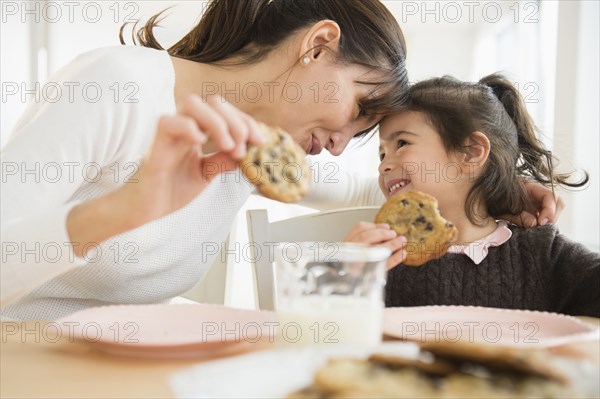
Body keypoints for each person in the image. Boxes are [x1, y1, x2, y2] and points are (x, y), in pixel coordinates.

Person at [0, 0, 561, 320]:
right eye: (358, 109)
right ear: (317, 46)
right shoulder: (115, 85)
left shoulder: (253, 148)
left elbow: (371, 191)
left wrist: (498, 184)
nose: (341, 145)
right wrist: (121, 210)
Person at [346, 74, 599, 317]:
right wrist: (348, 276)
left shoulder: (542, 252)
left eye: (402, 144)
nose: (383, 166)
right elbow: (340, 332)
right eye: (382, 154)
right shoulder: (380, 256)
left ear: (470, 152)